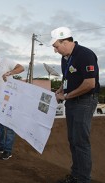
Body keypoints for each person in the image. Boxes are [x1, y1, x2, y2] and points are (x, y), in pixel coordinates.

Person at [51, 27, 99, 183]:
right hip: (71, 101)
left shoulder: (85, 54)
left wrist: (66, 96)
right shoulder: (65, 58)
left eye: (56, 46)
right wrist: (59, 91)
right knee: (73, 139)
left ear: (65, 41)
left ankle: (84, 179)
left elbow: (89, 84)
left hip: (84, 101)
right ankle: (76, 175)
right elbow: (66, 81)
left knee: (80, 141)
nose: (55, 50)